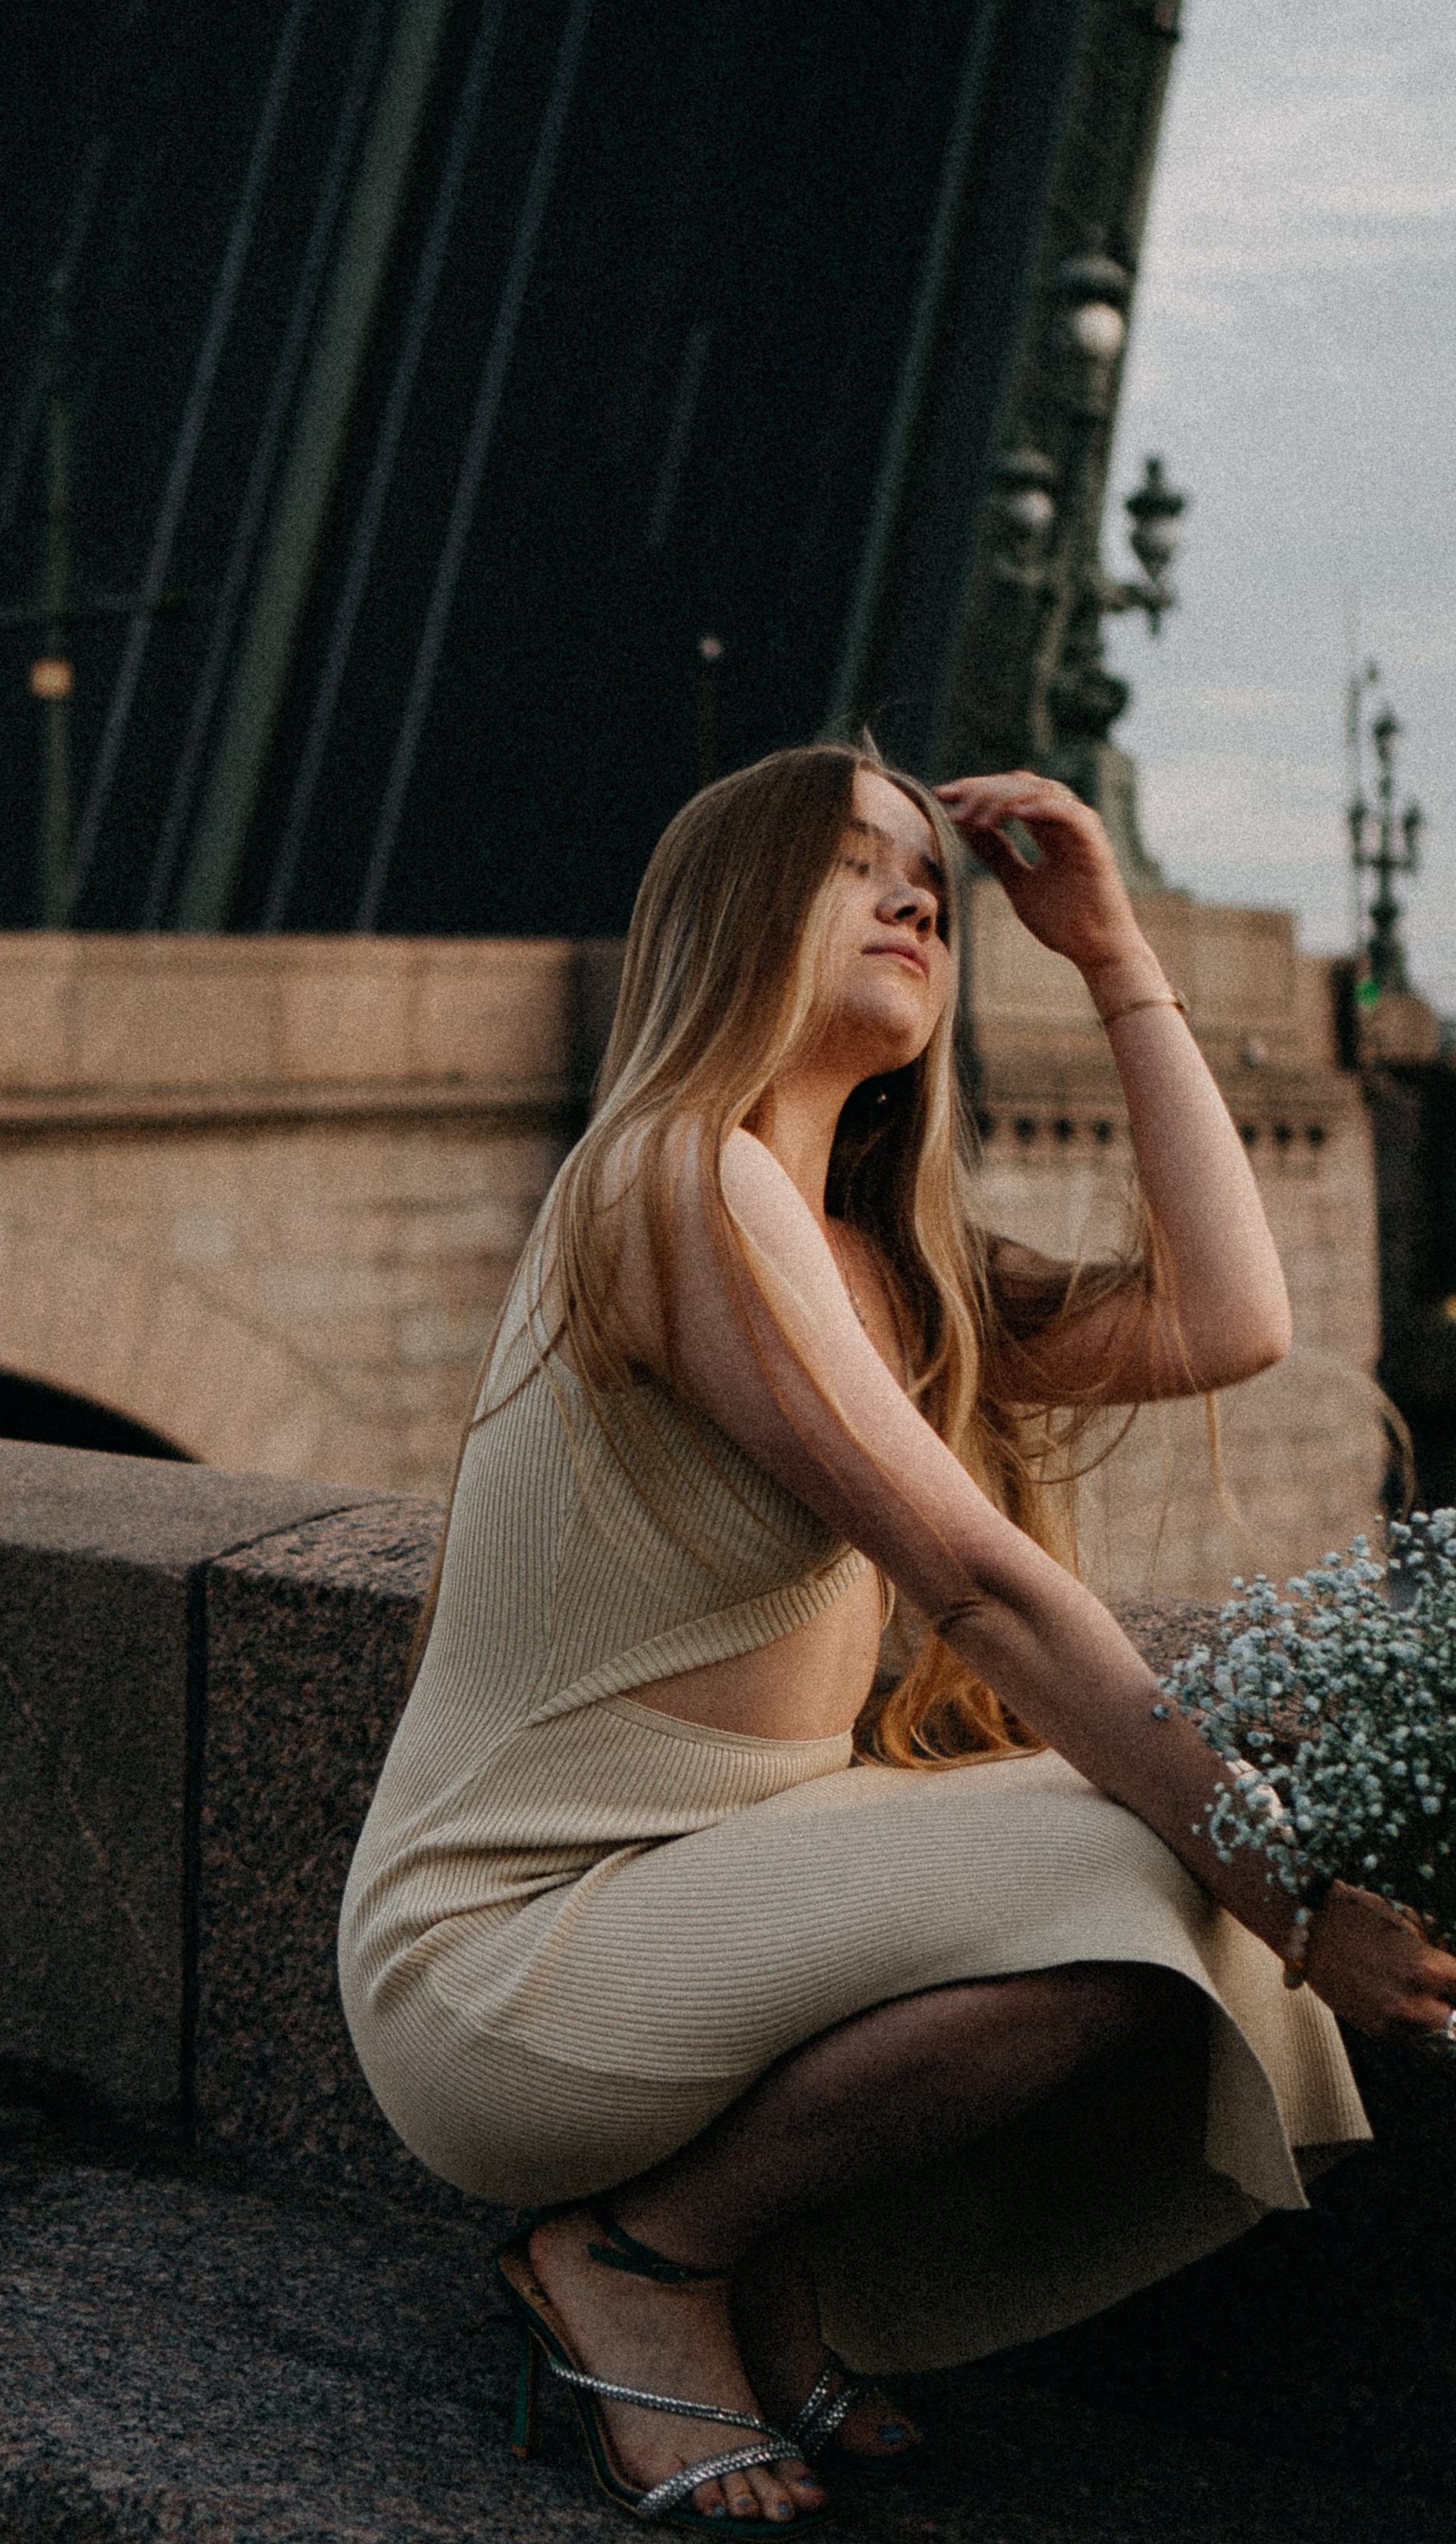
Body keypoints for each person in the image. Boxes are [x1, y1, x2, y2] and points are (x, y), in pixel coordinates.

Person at [337, 743, 1456, 2529]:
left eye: (926, 873)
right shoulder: (670, 1179)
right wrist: (1296, 1899)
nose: (917, 893)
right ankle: (642, 2255)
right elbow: (983, 1590)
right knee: (1162, 1845)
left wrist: (1102, 956)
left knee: (1180, 1829)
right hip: (512, 1959)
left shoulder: (883, 1262)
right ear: (729, 918)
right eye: (852, 864)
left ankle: (763, 2269)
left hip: (721, 1887)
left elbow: (1228, 1319)